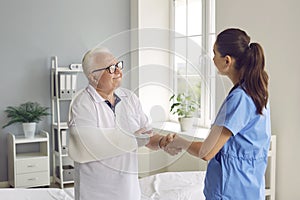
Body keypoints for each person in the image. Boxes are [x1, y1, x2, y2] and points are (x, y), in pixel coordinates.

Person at [161, 28, 271, 199]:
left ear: (227, 61)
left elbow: (207, 152)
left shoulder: (239, 99)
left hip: (230, 191)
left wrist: (179, 141)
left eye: (214, 53)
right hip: (250, 189)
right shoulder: (258, 93)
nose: (212, 59)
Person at [68, 47, 178, 200]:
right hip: (96, 194)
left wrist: (161, 142)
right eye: (111, 68)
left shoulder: (129, 98)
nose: (118, 71)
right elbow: (88, 147)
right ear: (94, 77)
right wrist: (134, 139)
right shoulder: (83, 104)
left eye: (118, 65)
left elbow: (146, 136)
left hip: (128, 192)